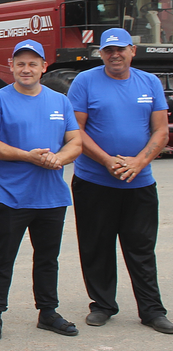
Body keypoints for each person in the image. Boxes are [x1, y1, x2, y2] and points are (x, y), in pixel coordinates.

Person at [67, 28, 173, 334]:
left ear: (132, 51)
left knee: (141, 248)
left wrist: (139, 162)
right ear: (101, 54)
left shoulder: (149, 82)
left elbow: (161, 130)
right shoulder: (85, 82)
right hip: (94, 182)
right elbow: (77, 131)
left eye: (121, 49)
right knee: (96, 245)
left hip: (139, 183)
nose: (115, 54)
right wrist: (107, 160)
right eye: (108, 50)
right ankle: (102, 305)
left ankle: (152, 310)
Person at [0, 40, 82, 340]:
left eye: (33, 63)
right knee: (3, 256)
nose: (26, 69)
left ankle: (48, 312)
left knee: (48, 258)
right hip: (12, 196)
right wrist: (27, 156)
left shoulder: (59, 101)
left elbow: (75, 140)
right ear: (11, 65)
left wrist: (58, 159)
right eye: (20, 63)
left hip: (51, 196)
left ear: (43, 67)